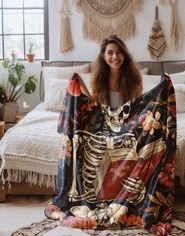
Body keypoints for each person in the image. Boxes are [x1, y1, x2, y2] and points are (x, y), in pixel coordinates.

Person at [45, 35, 175, 236]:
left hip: (127, 127)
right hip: (103, 127)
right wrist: (79, 87)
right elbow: (95, 109)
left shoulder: (133, 79)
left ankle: (136, 195)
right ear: (104, 56)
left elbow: (136, 111)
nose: (115, 56)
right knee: (82, 142)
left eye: (119, 52)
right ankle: (91, 195)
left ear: (124, 54)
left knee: (154, 135)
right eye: (110, 52)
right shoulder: (98, 79)